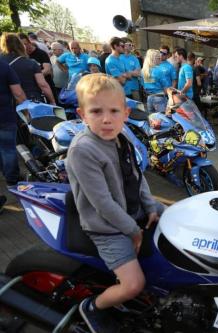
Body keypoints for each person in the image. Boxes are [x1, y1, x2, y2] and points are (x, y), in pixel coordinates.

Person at [66, 74, 162, 332]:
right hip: (106, 226)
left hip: (133, 210)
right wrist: (133, 230)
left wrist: (151, 207)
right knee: (133, 285)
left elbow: (137, 176)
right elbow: (103, 204)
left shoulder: (122, 137)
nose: (106, 119)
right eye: (96, 111)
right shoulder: (83, 150)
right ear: (82, 114)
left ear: (126, 113)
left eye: (113, 111)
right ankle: (93, 308)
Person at [0, 59, 26, 212]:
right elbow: (18, 93)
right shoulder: (3, 66)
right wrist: (26, 110)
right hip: (4, 117)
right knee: (8, 151)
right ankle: (12, 184)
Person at [0, 33, 56, 104]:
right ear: (20, 45)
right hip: (32, 101)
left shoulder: (2, 62)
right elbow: (42, 84)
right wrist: (52, 101)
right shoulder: (30, 63)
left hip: (7, 102)